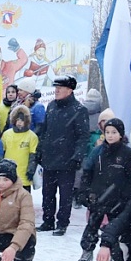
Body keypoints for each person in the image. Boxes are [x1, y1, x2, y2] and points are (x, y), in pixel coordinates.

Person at [76, 118, 131, 261]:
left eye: (114, 132)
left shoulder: (128, 154)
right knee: (91, 226)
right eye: (107, 132)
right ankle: (87, 251)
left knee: (115, 230)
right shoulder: (98, 151)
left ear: (121, 134)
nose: (110, 136)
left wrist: (126, 198)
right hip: (98, 198)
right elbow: (87, 172)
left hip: (118, 201)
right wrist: (84, 192)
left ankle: (115, 256)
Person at [33, 75, 89, 236]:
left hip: (67, 160)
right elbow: (45, 132)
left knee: (65, 195)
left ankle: (62, 223)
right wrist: (40, 152)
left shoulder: (79, 110)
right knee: (47, 193)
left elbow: (83, 136)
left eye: (60, 87)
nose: (56, 90)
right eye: (55, 87)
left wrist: (77, 156)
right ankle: (48, 221)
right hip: (49, 158)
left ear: (70, 90)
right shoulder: (51, 106)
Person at [0, 105, 39, 191]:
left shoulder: (32, 136)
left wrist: (31, 170)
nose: (19, 122)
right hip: (8, 174)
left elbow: (33, 155)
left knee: (23, 200)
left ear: (27, 121)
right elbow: (1, 153)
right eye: (17, 120)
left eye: (22, 120)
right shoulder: (6, 134)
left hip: (24, 175)